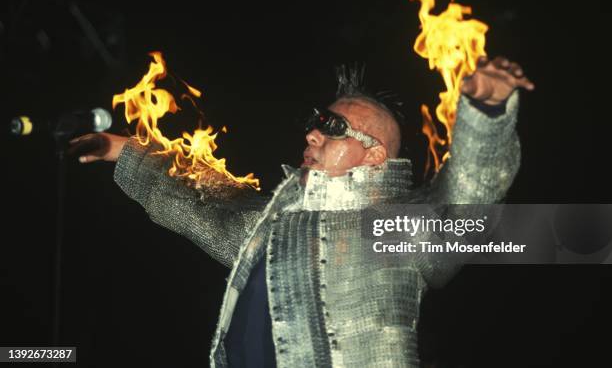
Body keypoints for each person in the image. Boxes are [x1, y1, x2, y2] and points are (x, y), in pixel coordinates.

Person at [70, 56, 534, 367]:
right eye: (315, 123)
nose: (313, 134)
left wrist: (487, 112)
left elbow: (473, 186)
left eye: (333, 127)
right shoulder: (269, 224)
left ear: (375, 156)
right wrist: (121, 148)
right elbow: (191, 197)